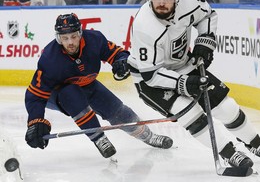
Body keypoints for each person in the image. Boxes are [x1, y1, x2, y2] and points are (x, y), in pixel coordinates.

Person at [128, 0, 260, 168]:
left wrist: (205, 42)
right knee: (191, 115)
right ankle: (229, 153)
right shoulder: (144, 26)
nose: (161, 2)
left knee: (227, 107)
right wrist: (185, 84)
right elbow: (151, 75)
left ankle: (256, 143)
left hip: (184, 65)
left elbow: (207, 15)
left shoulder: (189, 0)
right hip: (151, 81)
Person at [24, 13, 173, 159]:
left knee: (116, 110)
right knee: (71, 93)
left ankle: (148, 136)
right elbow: (34, 96)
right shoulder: (50, 59)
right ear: (58, 38)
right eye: (65, 38)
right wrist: (35, 121)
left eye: (74, 36)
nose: (70, 42)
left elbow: (116, 53)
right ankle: (99, 138)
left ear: (80, 33)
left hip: (87, 84)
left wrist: (121, 61)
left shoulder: (94, 39)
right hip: (58, 94)